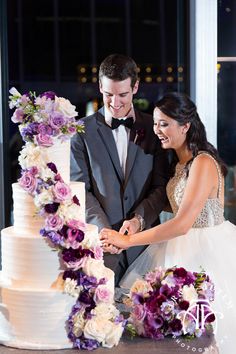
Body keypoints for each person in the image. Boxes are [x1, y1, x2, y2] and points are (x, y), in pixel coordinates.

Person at [100, 92, 236, 352]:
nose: (157, 130)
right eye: (155, 123)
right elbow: (168, 203)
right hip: (177, 249)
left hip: (207, 252)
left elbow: (182, 223)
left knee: (205, 328)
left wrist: (127, 241)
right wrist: (137, 221)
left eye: (164, 124)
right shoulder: (180, 164)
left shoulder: (203, 162)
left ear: (185, 126)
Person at [70, 54, 169, 285]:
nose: (115, 103)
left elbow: (161, 186)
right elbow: (80, 190)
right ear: (100, 87)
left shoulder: (154, 129)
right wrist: (106, 232)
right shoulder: (80, 132)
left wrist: (139, 220)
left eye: (123, 94)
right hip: (102, 250)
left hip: (146, 249)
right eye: (108, 94)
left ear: (135, 87)